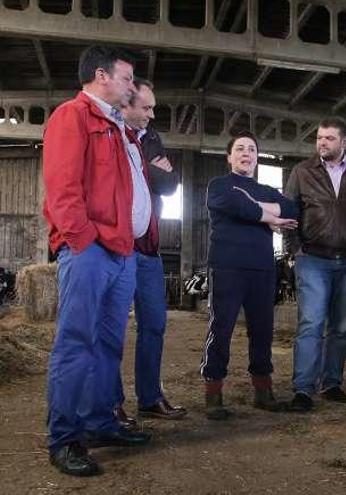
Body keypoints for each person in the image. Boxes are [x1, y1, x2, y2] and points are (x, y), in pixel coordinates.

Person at [43, 45, 152, 477]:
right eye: (127, 78)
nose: (132, 86)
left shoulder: (116, 127)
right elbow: (62, 188)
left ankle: (100, 422)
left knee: (108, 344)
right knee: (76, 343)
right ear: (102, 76)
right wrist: (84, 242)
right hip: (91, 251)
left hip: (121, 252)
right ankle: (64, 437)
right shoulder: (72, 116)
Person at [283, 117, 346, 413]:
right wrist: (295, 250)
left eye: (329, 138)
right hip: (313, 258)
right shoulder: (302, 171)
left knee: (341, 325)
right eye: (319, 138)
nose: (322, 143)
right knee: (312, 322)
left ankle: (332, 383)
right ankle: (303, 388)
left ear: (345, 142)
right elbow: (291, 212)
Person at [200, 131, 299, 420]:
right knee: (221, 328)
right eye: (240, 149)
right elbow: (233, 205)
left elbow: (293, 209)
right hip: (227, 266)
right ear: (229, 157)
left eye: (252, 150)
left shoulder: (266, 189)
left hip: (262, 268)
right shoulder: (218, 185)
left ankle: (263, 391)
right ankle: (213, 392)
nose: (247, 153)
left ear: (257, 157)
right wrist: (271, 217)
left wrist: (257, 208)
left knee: (263, 331)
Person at [115, 78, 187, 424]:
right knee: (112, 326)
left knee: (155, 324)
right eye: (146, 107)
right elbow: (127, 182)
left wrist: (155, 175)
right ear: (125, 105)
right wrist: (152, 172)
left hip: (149, 249)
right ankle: (111, 401)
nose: (151, 114)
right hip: (118, 247)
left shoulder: (152, 138)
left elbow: (171, 185)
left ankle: (149, 397)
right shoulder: (111, 134)